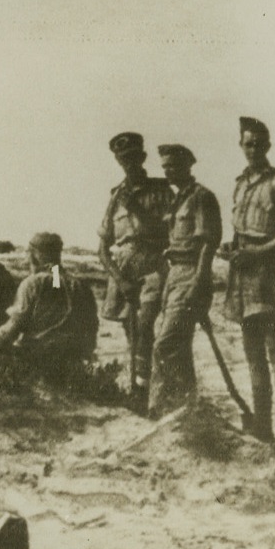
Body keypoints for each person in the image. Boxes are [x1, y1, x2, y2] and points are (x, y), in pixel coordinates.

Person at [221, 116, 275, 451]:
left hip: (268, 276)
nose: (252, 149)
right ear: (240, 145)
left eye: (258, 143)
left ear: (267, 146)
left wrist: (255, 254)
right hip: (242, 278)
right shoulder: (240, 184)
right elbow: (242, 232)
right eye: (247, 143)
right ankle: (262, 428)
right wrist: (231, 248)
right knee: (253, 356)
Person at [97, 132, 175, 411]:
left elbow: (171, 232)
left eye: (132, 158)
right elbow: (103, 247)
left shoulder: (162, 190)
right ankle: (142, 386)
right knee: (133, 333)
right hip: (123, 273)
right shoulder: (115, 197)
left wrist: (137, 210)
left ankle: (142, 393)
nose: (128, 164)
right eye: (122, 159)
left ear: (142, 158)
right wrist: (119, 279)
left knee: (144, 327)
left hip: (153, 268)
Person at [148, 144, 222, 418]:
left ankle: (159, 407)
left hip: (191, 272)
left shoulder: (201, 197)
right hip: (173, 274)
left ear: (188, 166)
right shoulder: (177, 200)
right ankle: (188, 407)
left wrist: (199, 281)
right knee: (179, 346)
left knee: (164, 344)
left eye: (174, 166)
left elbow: (208, 242)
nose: (168, 172)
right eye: (165, 167)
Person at [0, 232, 99, 385]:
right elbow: (92, 329)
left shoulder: (32, 283)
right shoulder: (80, 286)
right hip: (72, 357)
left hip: (38, 358)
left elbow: (11, 330)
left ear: (34, 255)